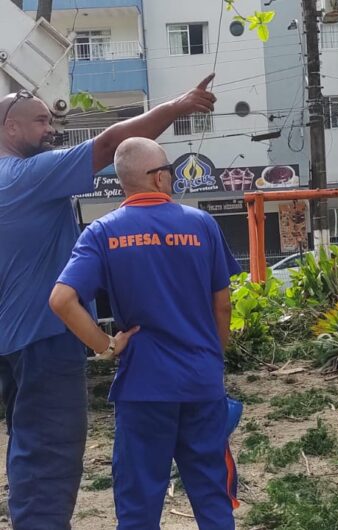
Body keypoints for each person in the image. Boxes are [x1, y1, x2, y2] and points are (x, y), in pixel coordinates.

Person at [0, 76, 216, 529]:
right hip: (44, 338)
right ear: (10, 129)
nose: (51, 129)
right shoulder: (25, 176)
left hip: (12, 339)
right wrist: (179, 104)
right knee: (49, 450)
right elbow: (112, 144)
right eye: (41, 121)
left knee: (25, 444)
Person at [49, 137, 241, 530]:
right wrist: (213, 357)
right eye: (169, 170)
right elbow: (222, 305)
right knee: (212, 492)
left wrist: (105, 346)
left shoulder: (102, 233)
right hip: (200, 383)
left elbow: (62, 300)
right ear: (157, 178)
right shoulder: (201, 224)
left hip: (143, 384)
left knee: (139, 500)